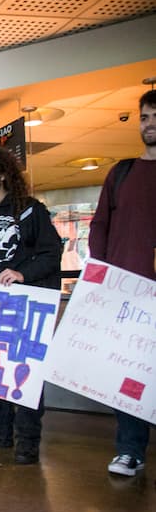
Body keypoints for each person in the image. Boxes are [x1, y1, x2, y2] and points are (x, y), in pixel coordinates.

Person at [0, 145, 62, 465]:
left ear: (3, 173)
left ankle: (28, 440)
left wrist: (22, 273)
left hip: (26, 304)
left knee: (25, 373)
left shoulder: (31, 210)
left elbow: (51, 254)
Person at [88, 89, 156, 477]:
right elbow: (100, 225)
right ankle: (130, 449)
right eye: (144, 117)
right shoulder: (122, 172)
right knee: (129, 372)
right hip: (126, 293)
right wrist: (102, 274)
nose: (150, 124)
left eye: (155, 116)